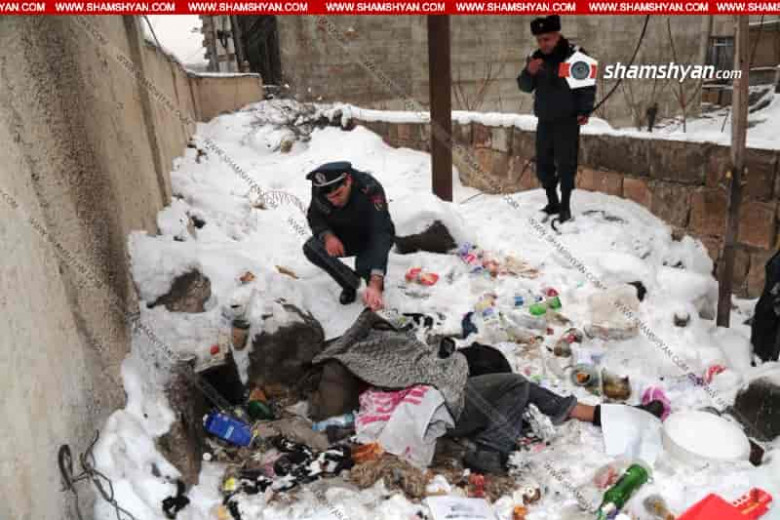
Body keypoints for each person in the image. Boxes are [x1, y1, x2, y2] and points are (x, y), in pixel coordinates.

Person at [449, 373, 664, 475]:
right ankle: (490, 451)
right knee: (514, 385)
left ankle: (609, 415)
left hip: (438, 398)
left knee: (521, 387)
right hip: (436, 407)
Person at [517, 15, 596, 224]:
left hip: (567, 121)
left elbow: (587, 87)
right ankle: (552, 201)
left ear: (557, 35)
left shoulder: (574, 55)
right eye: (539, 40)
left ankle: (565, 206)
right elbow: (524, 86)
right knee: (544, 165)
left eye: (547, 39)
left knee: (565, 165)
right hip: (545, 120)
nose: (543, 44)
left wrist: (585, 111)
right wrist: (528, 72)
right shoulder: (535, 58)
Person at [303, 161, 395, 311]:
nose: (334, 201)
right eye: (330, 197)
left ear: (349, 180)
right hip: (344, 234)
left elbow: (380, 232)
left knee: (367, 271)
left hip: (370, 235)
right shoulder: (320, 188)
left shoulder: (370, 188)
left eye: (338, 194)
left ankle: (374, 292)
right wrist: (328, 236)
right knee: (312, 248)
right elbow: (315, 216)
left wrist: (376, 280)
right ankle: (350, 283)